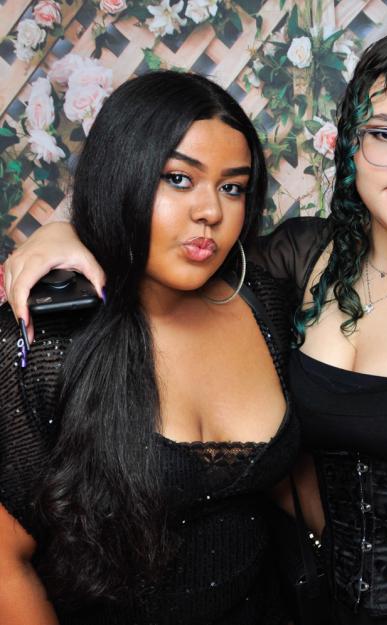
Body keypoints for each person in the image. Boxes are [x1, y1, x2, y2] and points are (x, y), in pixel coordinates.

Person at [3, 29, 387, 625]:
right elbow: (168, 239)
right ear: (352, 144)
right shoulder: (301, 262)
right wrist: (61, 233)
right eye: (385, 133)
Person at [0, 70, 298, 624]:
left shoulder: (263, 302)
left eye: (232, 187)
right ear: (123, 174)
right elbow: (4, 565)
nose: (210, 211)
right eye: (179, 179)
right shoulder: (48, 342)